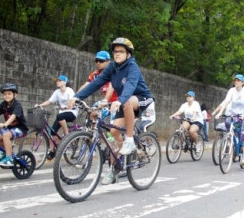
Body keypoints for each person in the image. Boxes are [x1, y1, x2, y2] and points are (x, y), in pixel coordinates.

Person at [68, 37, 154, 185]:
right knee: (113, 135)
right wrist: (77, 97)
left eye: (121, 51)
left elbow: (131, 85)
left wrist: (119, 100)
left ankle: (130, 140)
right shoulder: (112, 67)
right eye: (115, 51)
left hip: (141, 98)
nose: (117, 54)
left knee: (127, 102)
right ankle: (116, 167)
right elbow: (97, 83)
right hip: (125, 101)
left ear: (128, 54)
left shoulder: (132, 66)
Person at [212, 74, 244, 167]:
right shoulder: (231, 91)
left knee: (243, 132)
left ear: (243, 82)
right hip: (235, 114)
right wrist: (220, 113)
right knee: (229, 126)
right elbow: (226, 102)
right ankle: (234, 147)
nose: (236, 82)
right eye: (235, 80)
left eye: (238, 80)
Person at [35, 75, 78, 159]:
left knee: (59, 116)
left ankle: (67, 134)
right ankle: (52, 151)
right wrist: (40, 105)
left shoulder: (69, 91)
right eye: (57, 81)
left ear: (65, 82)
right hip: (61, 115)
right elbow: (49, 101)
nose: (57, 82)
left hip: (71, 112)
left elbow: (72, 102)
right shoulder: (57, 92)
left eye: (60, 81)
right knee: (52, 132)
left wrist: (66, 107)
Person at [77, 50, 118, 127]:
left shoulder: (114, 72)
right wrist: (75, 97)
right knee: (91, 114)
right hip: (107, 102)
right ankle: (93, 135)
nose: (98, 63)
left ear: (108, 61)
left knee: (114, 128)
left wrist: (105, 100)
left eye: (101, 61)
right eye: (96, 60)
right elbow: (86, 85)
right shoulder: (95, 74)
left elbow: (111, 87)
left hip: (119, 102)